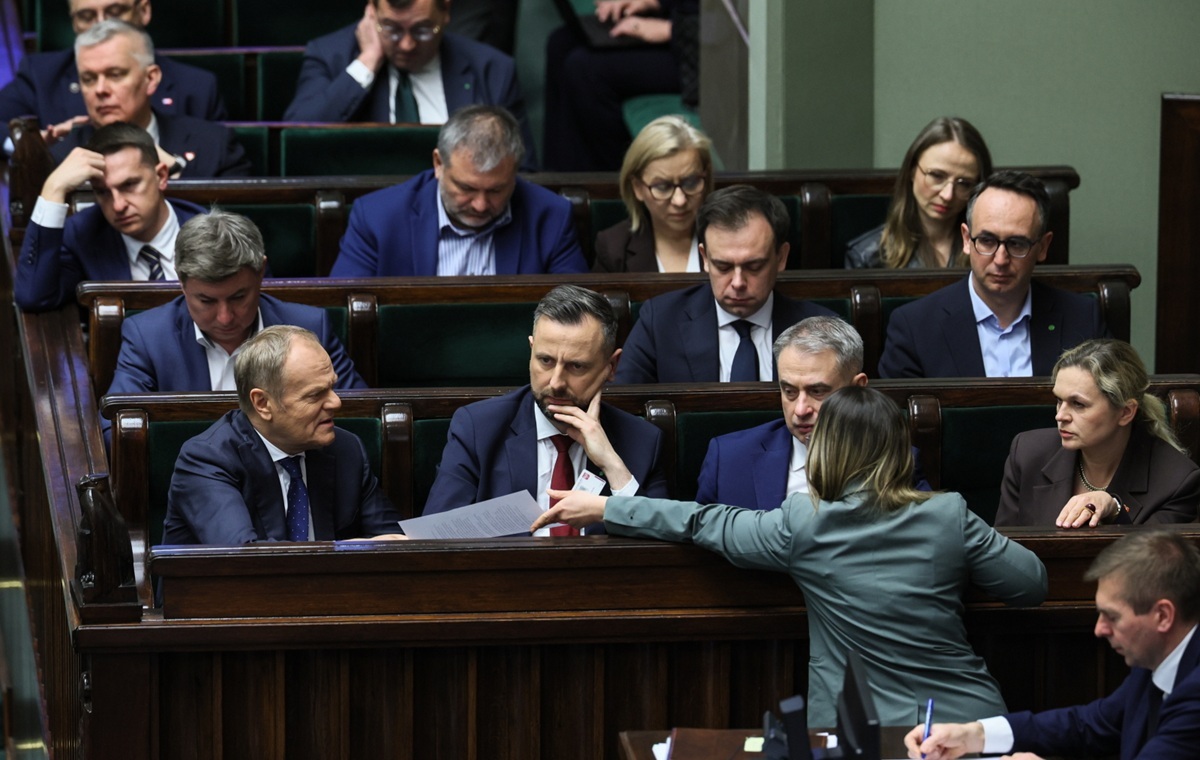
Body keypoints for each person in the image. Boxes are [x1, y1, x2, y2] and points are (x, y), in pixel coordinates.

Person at [533, 385, 1047, 726]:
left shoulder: (805, 522)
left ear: (830, 450)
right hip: (968, 722)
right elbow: (1030, 585)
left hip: (859, 733)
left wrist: (605, 507)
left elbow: (701, 521)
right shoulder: (949, 514)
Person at [907, 530, 1200, 760]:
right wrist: (972, 735)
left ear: (1163, 616)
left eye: (1112, 616)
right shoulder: (1156, 660)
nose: (1099, 629)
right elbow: (1089, 724)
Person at [423, 285, 669, 533]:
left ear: (611, 367)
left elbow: (662, 554)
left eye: (576, 366)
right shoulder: (478, 429)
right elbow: (437, 539)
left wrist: (612, 465)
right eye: (546, 361)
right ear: (531, 351)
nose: (556, 383)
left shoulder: (642, 442)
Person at [103, 209, 367, 440]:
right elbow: (113, 430)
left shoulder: (310, 326)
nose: (225, 317)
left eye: (239, 297)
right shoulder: (148, 337)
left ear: (261, 271)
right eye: (206, 300)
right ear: (181, 282)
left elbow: (359, 419)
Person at [163, 326, 402, 545]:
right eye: (315, 395)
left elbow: (391, 543)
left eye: (332, 387)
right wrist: (343, 550)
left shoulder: (346, 449)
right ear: (263, 403)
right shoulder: (207, 459)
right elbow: (243, 559)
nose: (336, 402)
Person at [878, 171, 1107, 378]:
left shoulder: (1083, 320)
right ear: (967, 240)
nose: (1000, 260)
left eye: (1017, 244)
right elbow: (897, 421)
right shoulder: (914, 327)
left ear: (1043, 247)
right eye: (986, 241)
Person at [695, 316, 929, 509]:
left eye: (818, 391)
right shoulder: (729, 459)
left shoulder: (896, 460)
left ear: (857, 388)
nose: (800, 410)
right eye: (789, 391)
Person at [330, 105, 585, 277]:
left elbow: (576, 317)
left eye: (496, 190)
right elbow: (341, 310)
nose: (481, 205)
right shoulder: (376, 217)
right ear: (439, 163)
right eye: (466, 188)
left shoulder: (551, 216)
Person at [615, 185, 835, 384]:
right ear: (705, 258)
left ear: (781, 257)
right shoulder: (660, 322)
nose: (738, 283)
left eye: (754, 266)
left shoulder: (823, 330)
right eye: (723, 266)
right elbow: (626, 410)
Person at [283, 0, 536, 168]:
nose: (407, 45)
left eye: (423, 30)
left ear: (445, 11)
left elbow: (523, 169)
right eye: (391, 29)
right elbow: (295, 137)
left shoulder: (491, 69)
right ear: (372, 12)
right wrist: (367, 61)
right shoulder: (332, 55)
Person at [995, 339, 1200, 527]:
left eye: (1078, 404)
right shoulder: (1028, 453)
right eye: (1059, 400)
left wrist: (1116, 511)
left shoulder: (1176, 481)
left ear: (1125, 412)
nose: (1060, 416)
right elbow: (1002, 555)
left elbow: (1153, 562)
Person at [14, 121, 204, 312]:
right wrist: (53, 187)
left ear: (161, 176)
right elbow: (32, 296)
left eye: (129, 184)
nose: (118, 205)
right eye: (103, 192)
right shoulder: (83, 235)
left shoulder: (210, 230)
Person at [0, 0, 226, 151]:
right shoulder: (42, 75)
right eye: (86, 16)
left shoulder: (196, 87)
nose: (102, 24)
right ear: (73, 23)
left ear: (144, 11)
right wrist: (33, 145)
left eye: (115, 12)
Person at [44, 20, 251, 178]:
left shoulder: (214, 145)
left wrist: (177, 173)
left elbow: (238, 230)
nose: (100, 90)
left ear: (151, 79)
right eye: (88, 79)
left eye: (115, 75)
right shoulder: (59, 159)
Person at [543, 0, 699, 171]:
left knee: (586, 70)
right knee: (561, 43)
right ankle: (556, 180)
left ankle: (609, 186)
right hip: (686, 21)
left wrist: (669, 29)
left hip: (704, 54)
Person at [845, 116, 992, 269]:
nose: (947, 195)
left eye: (964, 184)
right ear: (912, 171)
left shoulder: (992, 250)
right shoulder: (867, 256)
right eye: (936, 176)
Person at [592, 114, 713, 273]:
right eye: (662, 186)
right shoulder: (614, 248)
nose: (679, 200)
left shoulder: (730, 240)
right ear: (637, 188)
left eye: (690, 183)